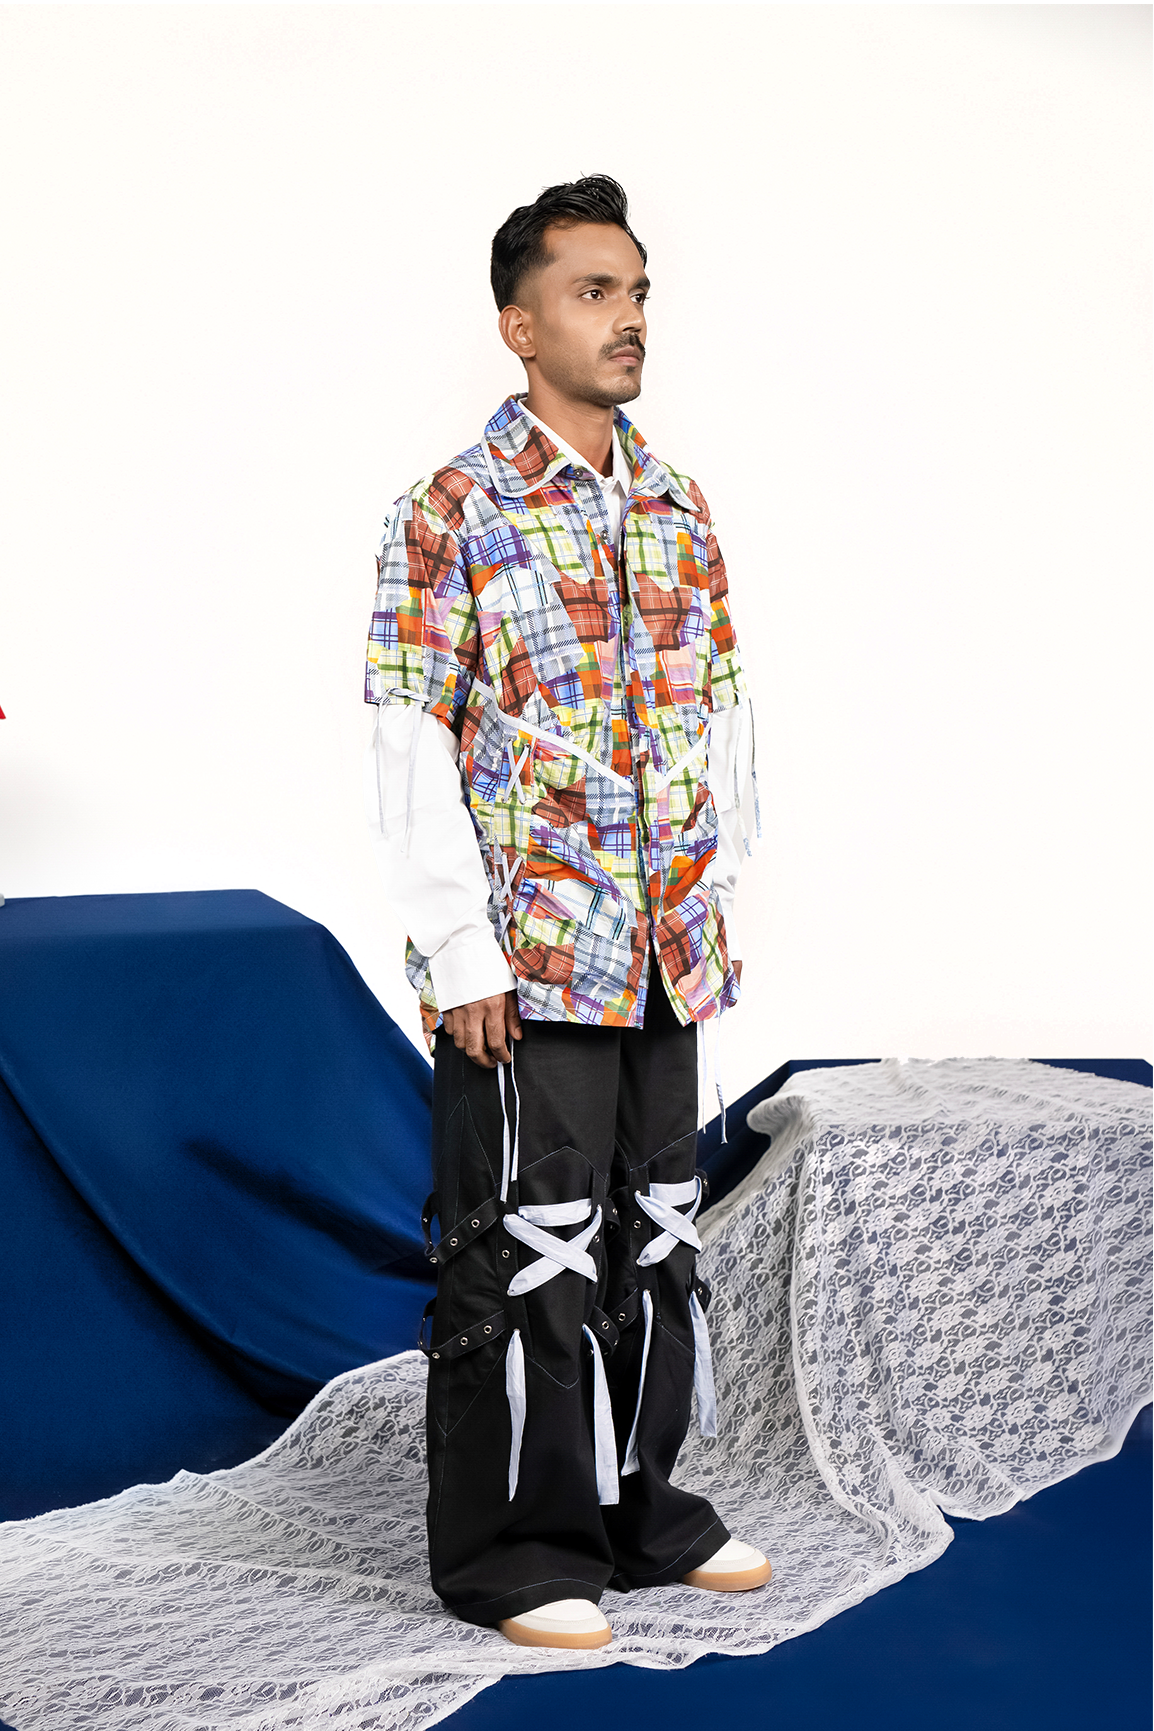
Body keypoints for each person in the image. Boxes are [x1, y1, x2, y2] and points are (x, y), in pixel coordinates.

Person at [364, 175, 767, 1651]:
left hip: (666, 944)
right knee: (527, 1238)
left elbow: (724, 711)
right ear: (518, 325)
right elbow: (409, 732)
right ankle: (513, 1551)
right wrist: (456, 947)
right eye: (594, 292)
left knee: (655, 1231)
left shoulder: (677, 503)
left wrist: (717, 894)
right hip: (530, 953)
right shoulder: (451, 511)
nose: (628, 317)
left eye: (638, 290)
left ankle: (640, 1510)